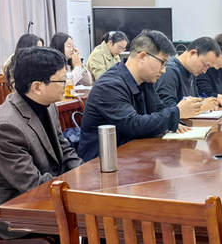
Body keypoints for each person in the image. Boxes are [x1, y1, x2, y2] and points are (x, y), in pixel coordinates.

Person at [0, 47, 83, 239]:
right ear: (37, 87)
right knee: (97, 216)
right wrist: (76, 191)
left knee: (102, 209)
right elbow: (31, 184)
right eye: (62, 80)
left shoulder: (48, 105)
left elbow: (64, 147)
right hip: (12, 207)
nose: (66, 84)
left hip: (42, 189)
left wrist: (84, 175)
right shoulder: (5, 127)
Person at [78, 30, 202, 161]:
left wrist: (174, 121)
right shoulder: (109, 86)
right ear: (142, 56)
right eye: (162, 63)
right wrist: (176, 113)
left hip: (133, 156)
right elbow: (134, 125)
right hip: (103, 163)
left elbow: (159, 109)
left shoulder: (145, 81)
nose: (164, 70)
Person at [155, 36, 222, 111]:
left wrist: (212, 101)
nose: (205, 71)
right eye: (205, 65)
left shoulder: (191, 71)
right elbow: (167, 109)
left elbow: (193, 98)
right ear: (193, 53)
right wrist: (201, 107)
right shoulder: (169, 71)